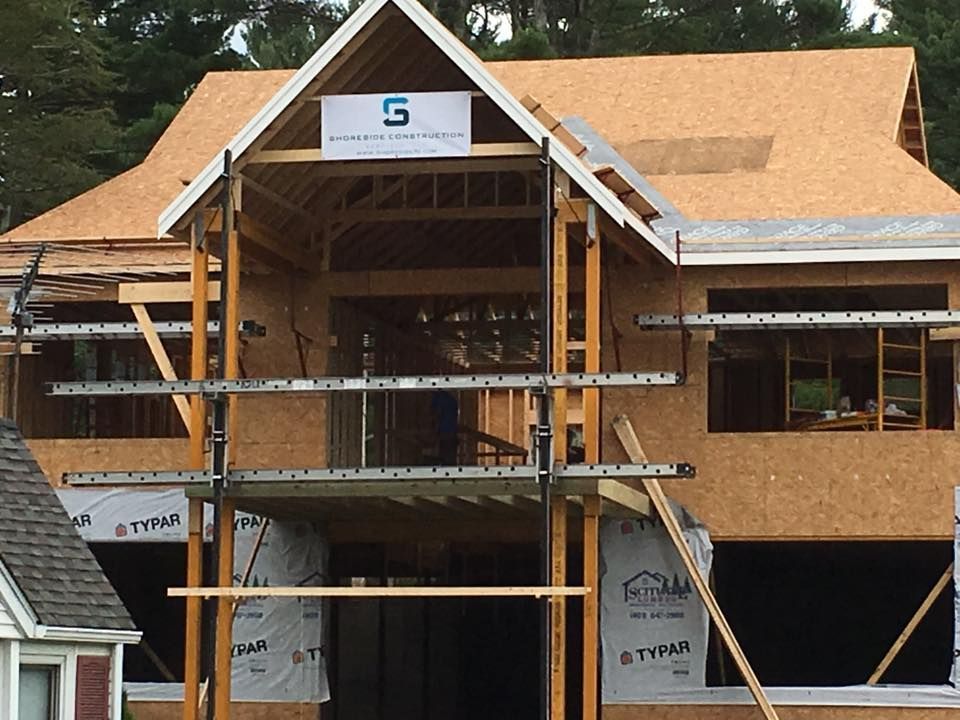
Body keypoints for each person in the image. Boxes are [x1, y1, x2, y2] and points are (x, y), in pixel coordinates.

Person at [430, 390, 459, 465]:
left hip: (445, 432)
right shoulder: (450, 399)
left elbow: (437, 414)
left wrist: (435, 429)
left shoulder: (439, 398)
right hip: (451, 432)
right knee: (449, 455)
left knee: (445, 454)